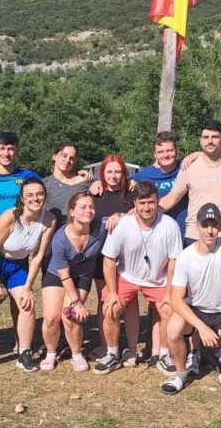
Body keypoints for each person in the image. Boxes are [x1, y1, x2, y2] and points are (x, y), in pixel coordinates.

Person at [159, 121, 221, 375]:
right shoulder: (190, 167)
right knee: (193, 300)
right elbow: (172, 198)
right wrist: (138, 211)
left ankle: (218, 349)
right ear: (200, 139)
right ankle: (195, 351)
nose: (210, 141)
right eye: (205, 137)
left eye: (215, 137)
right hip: (193, 239)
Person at [160, 203, 221, 395]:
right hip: (195, 309)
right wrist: (202, 328)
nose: (210, 230)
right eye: (205, 225)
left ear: (220, 227)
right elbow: (177, 299)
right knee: (172, 329)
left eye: (214, 225)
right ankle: (180, 373)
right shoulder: (186, 256)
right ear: (198, 226)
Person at [0, 178, 56, 376]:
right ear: (22, 199)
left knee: (27, 304)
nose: (35, 198)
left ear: (45, 196)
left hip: (16, 264)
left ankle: (24, 353)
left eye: (39, 194)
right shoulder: (10, 217)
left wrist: (29, 286)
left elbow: (37, 255)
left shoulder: (49, 220)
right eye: (29, 195)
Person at [95, 182, 183, 375]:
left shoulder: (170, 225)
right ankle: (112, 354)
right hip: (127, 276)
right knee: (110, 308)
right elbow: (109, 260)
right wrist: (112, 292)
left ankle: (164, 355)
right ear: (134, 203)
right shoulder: (122, 225)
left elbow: (173, 262)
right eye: (142, 202)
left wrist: (169, 293)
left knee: (169, 311)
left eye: (151, 202)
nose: (146, 207)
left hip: (157, 279)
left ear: (157, 201)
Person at [131, 131, 189, 367]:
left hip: (185, 239)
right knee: (158, 299)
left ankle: (177, 346)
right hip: (155, 244)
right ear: (154, 153)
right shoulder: (144, 175)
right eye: (161, 151)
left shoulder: (186, 169)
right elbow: (127, 195)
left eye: (170, 150)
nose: (166, 154)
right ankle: (157, 348)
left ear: (176, 150)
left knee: (179, 297)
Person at [40, 192, 101, 372]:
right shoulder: (60, 239)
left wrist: (119, 215)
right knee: (51, 317)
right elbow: (64, 274)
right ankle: (51, 352)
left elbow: (121, 218)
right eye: (83, 207)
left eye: (91, 207)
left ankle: (76, 353)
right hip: (58, 275)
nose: (89, 211)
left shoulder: (101, 228)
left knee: (71, 315)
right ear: (72, 212)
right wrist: (77, 302)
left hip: (82, 275)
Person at [89, 154, 138, 364]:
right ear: (102, 174)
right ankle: (106, 344)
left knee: (130, 303)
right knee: (106, 300)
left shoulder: (132, 193)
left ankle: (133, 348)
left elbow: (144, 209)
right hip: (101, 257)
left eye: (118, 171)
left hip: (128, 259)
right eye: (109, 171)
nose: (113, 176)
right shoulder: (95, 195)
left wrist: (123, 214)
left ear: (124, 174)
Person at [43, 143, 92, 229]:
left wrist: (96, 182)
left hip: (80, 232)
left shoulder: (84, 181)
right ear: (54, 156)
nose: (67, 160)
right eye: (64, 155)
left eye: (72, 158)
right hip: (55, 233)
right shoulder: (44, 184)